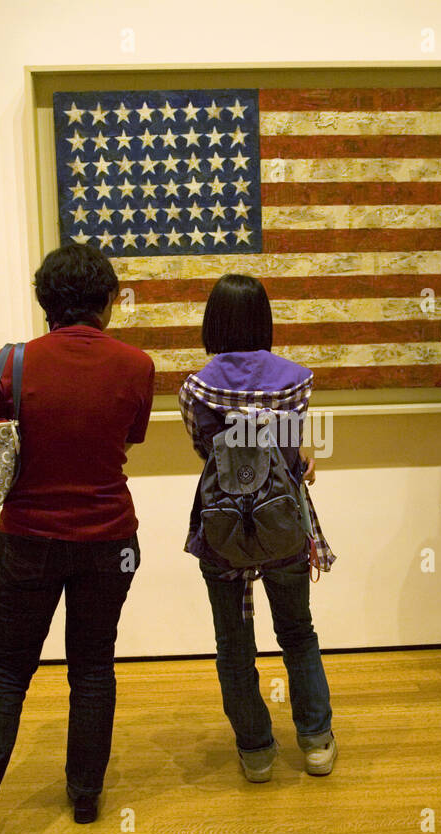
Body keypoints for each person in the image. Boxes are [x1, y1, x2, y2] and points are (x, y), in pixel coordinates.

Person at [0, 241, 154, 834]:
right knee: (92, 666)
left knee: (5, 666)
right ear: (109, 302)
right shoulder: (136, 366)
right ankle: (86, 794)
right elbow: (130, 437)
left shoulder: (11, 362)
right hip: (108, 539)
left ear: (45, 302)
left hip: (27, 539)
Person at [179, 274, 337, 782]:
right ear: (263, 319)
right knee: (297, 632)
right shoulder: (297, 380)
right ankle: (314, 742)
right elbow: (288, 452)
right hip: (282, 522)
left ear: (214, 322)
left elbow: (206, 453)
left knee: (233, 642)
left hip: (222, 531)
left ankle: (256, 751)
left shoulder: (196, 388)